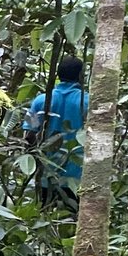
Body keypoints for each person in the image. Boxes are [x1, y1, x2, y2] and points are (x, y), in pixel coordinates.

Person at [24, 56, 89, 204]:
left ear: (58, 74)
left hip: (46, 174)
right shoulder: (88, 102)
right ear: (80, 76)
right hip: (77, 177)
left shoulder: (40, 100)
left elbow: (29, 136)